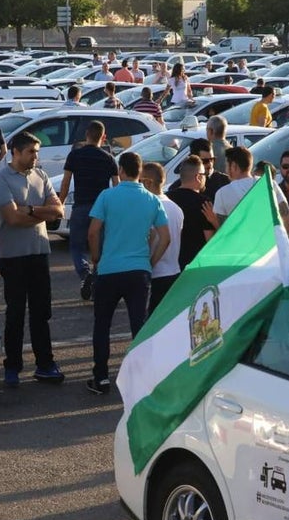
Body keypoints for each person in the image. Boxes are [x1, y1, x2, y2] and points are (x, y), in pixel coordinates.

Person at [87, 152, 170, 394]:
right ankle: (143, 379)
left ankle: (101, 377)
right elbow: (165, 237)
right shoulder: (152, 199)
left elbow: (93, 232)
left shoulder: (107, 196)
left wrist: (96, 257)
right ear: (140, 172)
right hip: (139, 270)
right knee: (139, 325)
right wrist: (150, 261)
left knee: (102, 324)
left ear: (121, 170)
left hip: (110, 269)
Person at [0, 131, 65, 387]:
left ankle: (45, 363)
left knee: (41, 312)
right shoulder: (1, 178)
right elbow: (12, 219)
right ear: (17, 152)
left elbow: (58, 211)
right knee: (15, 314)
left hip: (39, 253)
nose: (36, 156)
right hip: (14, 257)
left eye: (37, 151)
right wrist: (42, 214)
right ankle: (12, 366)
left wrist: (32, 210)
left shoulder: (41, 175)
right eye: (31, 152)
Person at [59, 121, 119, 298]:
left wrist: (60, 203)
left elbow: (66, 181)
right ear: (104, 137)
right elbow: (116, 186)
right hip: (101, 209)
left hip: (80, 206)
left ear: (86, 135)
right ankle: (97, 276)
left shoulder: (75, 155)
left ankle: (84, 274)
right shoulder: (109, 159)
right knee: (99, 247)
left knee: (76, 246)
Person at [213, 146, 289, 229]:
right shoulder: (270, 184)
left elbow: (223, 230)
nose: (226, 169)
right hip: (269, 240)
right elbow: (288, 221)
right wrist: (279, 240)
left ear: (234, 166)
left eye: (227, 165)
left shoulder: (222, 194)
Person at [140, 162, 183, 314]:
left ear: (147, 182)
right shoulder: (176, 208)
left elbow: (150, 238)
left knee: (150, 321)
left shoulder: (149, 207)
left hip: (156, 273)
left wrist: (149, 264)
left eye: (139, 181)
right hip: (174, 271)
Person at [167, 155, 216, 268]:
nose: (206, 178)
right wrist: (215, 222)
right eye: (205, 175)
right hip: (195, 265)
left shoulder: (166, 199)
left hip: (170, 265)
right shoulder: (204, 204)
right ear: (198, 177)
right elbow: (210, 241)